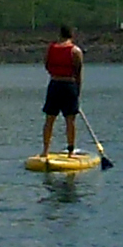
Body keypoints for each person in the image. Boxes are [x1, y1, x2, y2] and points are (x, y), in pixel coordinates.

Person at [41, 24, 84, 156]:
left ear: (60, 34)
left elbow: (47, 65)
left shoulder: (51, 48)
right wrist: (77, 92)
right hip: (69, 85)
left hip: (54, 83)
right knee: (70, 120)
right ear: (72, 35)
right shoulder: (75, 51)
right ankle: (71, 151)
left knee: (49, 119)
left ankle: (45, 151)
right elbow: (78, 73)